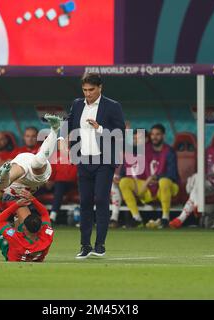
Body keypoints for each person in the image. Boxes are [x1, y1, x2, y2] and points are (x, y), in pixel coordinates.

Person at [0, 114, 61, 258]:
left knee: (35, 164)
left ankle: (54, 130)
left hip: (22, 182)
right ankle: (55, 130)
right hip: (14, 182)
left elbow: (26, 221)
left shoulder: (4, 193)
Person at [59, 73, 125, 259]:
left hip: (104, 160)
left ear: (100, 88)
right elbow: (68, 122)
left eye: (91, 90)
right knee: (85, 202)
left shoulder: (112, 106)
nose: (88, 94)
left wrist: (100, 128)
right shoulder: (78, 103)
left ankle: (100, 245)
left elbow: (120, 133)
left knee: (101, 200)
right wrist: (61, 138)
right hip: (84, 160)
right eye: (85, 90)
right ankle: (85, 245)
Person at [170, 131, 214, 229]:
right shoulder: (210, 151)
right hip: (210, 184)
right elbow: (200, 167)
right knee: (198, 179)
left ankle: (181, 218)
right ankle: (197, 205)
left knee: (196, 189)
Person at [119, 124, 179, 229]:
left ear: (163, 136)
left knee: (164, 181)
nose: (154, 137)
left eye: (158, 134)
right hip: (148, 186)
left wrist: (156, 177)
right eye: (152, 134)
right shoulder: (146, 148)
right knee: (124, 182)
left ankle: (165, 218)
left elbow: (172, 174)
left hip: (166, 188)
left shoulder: (169, 151)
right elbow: (131, 147)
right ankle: (137, 218)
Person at [0, 189, 54, 262]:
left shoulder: (14, 237)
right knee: (22, 207)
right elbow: (45, 213)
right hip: (27, 250)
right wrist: (32, 199)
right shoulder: (47, 235)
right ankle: (10, 203)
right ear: (40, 227)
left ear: (24, 227)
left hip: (10, 248)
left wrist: (16, 205)